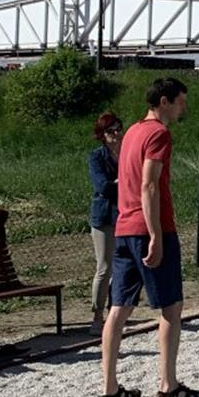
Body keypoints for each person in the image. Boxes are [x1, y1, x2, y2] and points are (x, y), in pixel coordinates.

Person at [100, 77, 199, 397]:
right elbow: (149, 185)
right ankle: (167, 384)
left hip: (124, 227)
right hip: (149, 227)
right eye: (180, 101)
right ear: (164, 101)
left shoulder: (132, 131)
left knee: (119, 309)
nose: (183, 107)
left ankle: (109, 387)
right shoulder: (159, 134)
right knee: (171, 307)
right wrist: (156, 235)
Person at [87, 113, 123, 331]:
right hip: (104, 216)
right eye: (111, 131)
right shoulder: (97, 157)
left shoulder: (127, 153)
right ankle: (97, 315)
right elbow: (102, 186)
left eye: (118, 129)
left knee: (121, 266)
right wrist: (123, 182)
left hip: (124, 214)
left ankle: (115, 313)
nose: (116, 134)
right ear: (102, 135)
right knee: (104, 267)